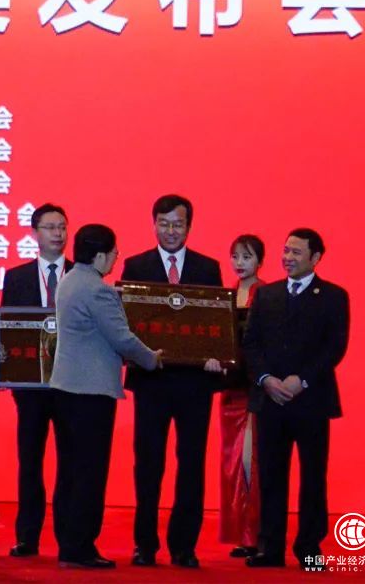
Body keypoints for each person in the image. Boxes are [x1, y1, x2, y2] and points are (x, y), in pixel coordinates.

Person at [50, 224, 162, 569]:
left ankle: (68, 542)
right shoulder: (98, 290)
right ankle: (81, 546)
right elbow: (122, 338)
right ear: (99, 255)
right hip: (91, 392)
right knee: (90, 472)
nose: (115, 258)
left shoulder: (68, 280)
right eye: (113, 252)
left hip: (64, 388)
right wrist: (152, 358)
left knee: (69, 470)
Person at [121, 194, 223, 568]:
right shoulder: (136, 266)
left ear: (189, 227)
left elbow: (216, 323)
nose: (170, 231)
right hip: (152, 381)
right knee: (148, 464)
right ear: (154, 224)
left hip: (195, 383)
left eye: (177, 224)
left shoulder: (207, 268)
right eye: (163, 224)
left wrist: (216, 356)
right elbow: (127, 321)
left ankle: (184, 545)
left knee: (191, 464)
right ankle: (144, 544)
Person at [245, 229, 349, 571]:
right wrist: (266, 379)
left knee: (313, 476)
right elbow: (251, 343)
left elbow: (334, 347)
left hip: (311, 401)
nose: (287, 257)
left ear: (316, 258)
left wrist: (301, 380)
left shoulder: (333, 297)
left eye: (296, 252)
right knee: (271, 475)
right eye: (286, 250)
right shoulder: (266, 295)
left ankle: (309, 548)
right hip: (270, 400)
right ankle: (270, 547)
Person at [0, 203, 73, 557]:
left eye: (62, 227)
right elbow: (8, 328)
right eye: (49, 227)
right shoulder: (16, 277)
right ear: (34, 233)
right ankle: (27, 537)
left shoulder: (81, 275)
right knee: (30, 461)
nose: (57, 234)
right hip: (30, 387)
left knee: (69, 462)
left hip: (71, 384)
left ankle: (67, 537)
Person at [213, 235, 266, 557]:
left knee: (252, 462)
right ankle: (241, 534)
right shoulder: (225, 296)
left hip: (254, 391)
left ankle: (255, 535)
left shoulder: (266, 295)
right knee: (231, 463)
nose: (239, 263)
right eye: (235, 256)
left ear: (260, 260)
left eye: (246, 257)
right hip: (229, 390)